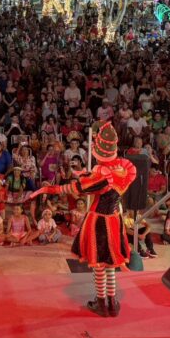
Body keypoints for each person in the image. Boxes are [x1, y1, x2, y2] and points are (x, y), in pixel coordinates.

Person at [28, 122, 136, 317]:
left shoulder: (99, 175)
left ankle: (101, 302)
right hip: (114, 219)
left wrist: (47, 189)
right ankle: (112, 302)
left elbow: (73, 189)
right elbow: (103, 178)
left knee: (98, 263)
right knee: (110, 261)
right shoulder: (125, 169)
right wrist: (87, 175)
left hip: (98, 221)